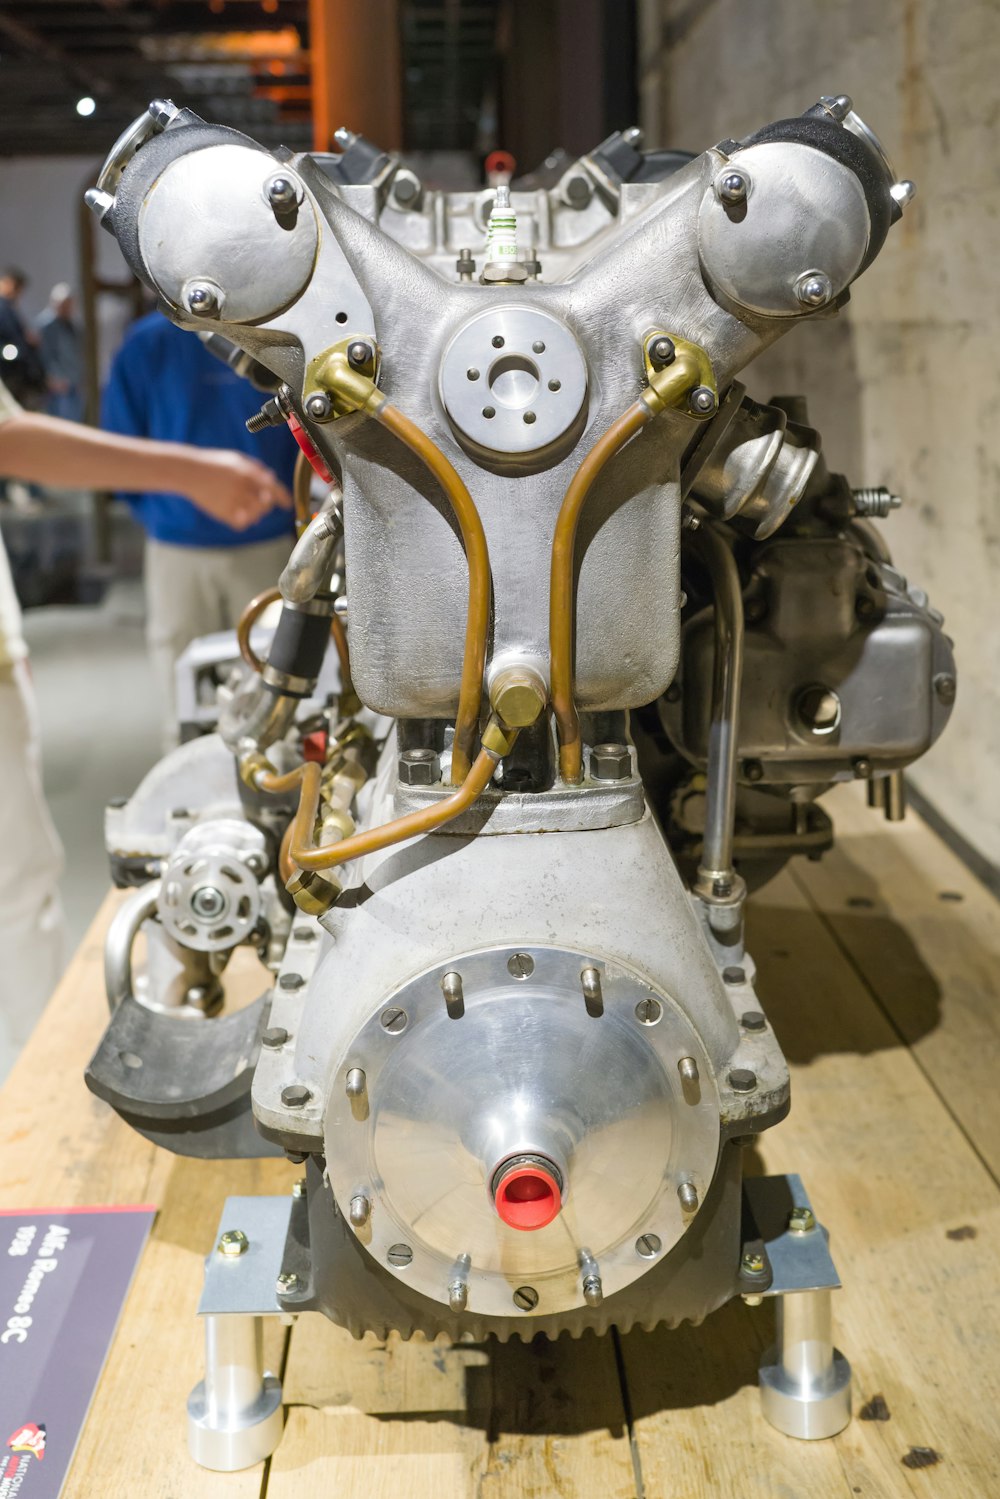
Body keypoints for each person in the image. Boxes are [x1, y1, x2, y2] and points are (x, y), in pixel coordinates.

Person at [0, 379, 293, 1081]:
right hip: (182, 535)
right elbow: (11, 439)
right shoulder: (146, 355)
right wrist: (190, 474)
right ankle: (38, 1095)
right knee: (16, 887)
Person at [102, 312, 298, 734]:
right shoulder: (147, 344)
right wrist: (166, 514)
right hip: (179, 550)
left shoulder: (269, 337)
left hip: (267, 545)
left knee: (278, 695)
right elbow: (119, 442)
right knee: (183, 695)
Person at [37, 282, 83, 421]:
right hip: (58, 383)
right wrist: (52, 377)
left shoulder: (71, 325)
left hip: (73, 380)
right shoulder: (47, 325)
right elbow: (45, 354)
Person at [0, 267, 45, 407]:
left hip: (14, 371)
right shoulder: (3, 308)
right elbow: (12, 340)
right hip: (8, 372)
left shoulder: (9, 308)